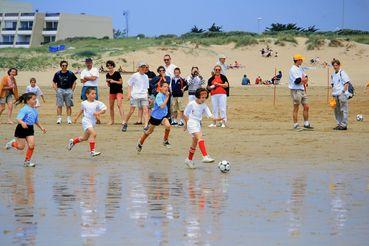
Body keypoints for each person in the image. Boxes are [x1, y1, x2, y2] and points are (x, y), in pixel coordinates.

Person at [5, 92, 47, 167]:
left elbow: (36, 121)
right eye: (33, 99)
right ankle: (12, 143)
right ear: (28, 101)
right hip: (21, 128)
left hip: (30, 129)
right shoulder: (24, 109)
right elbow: (18, 119)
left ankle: (27, 161)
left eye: (36, 99)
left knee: (32, 145)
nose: (35, 101)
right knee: (21, 147)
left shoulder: (35, 110)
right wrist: (22, 123)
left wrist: (42, 128)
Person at [183, 88, 221, 168]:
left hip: (198, 124)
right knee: (200, 137)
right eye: (202, 97)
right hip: (192, 122)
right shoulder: (191, 104)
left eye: (205, 97)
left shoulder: (204, 105)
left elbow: (210, 115)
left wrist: (217, 119)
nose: (204, 99)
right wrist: (186, 125)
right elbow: (185, 114)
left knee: (194, 143)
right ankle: (205, 156)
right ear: (198, 96)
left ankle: (189, 160)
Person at [67, 87, 106, 157]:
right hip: (86, 121)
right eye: (92, 93)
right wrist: (76, 118)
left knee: (84, 138)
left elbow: (104, 110)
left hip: (92, 122)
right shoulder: (84, 103)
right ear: (87, 95)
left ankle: (73, 141)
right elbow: (81, 110)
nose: (94, 95)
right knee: (94, 134)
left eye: (95, 94)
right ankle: (92, 151)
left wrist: (98, 113)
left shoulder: (97, 103)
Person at [136, 81, 171, 153]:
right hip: (155, 117)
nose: (166, 88)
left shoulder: (166, 94)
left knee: (168, 126)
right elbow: (162, 106)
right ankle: (140, 143)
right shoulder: (159, 96)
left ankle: (165, 140)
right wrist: (167, 97)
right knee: (149, 131)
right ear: (160, 88)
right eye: (164, 86)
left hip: (163, 116)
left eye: (167, 87)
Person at [121, 62, 150, 132]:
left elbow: (146, 88)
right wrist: (129, 94)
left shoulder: (146, 76)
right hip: (135, 95)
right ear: (139, 68)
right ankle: (125, 123)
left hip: (143, 95)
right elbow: (129, 84)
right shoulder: (135, 75)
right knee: (131, 111)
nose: (143, 68)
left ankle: (146, 126)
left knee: (146, 110)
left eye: (144, 67)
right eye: (142, 67)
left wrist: (147, 96)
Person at [289, 54, 313, 130]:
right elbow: (297, 81)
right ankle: (295, 124)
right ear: (298, 60)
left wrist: (304, 80)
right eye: (301, 60)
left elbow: (306, 77)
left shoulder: (300, 68)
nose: (302, 61)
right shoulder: (293, 69)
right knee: (296, 107)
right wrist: (304, 80)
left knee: (306, 106)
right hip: (296, 90)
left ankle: (306, 123)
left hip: (302, 89)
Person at [52, 60, 77, 124]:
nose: (64, 66)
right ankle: (59, 118)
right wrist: (57, 90)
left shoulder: (70, 73)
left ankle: (68, 118)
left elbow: (74, 82)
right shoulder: (57, 74)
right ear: (61, 66)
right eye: (63, 65)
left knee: (68, 105)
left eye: (66, 65)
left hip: (68, 90)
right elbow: (54, 82)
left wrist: (72, 90)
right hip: (60, 89)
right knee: (59, 105)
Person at [331, 59, 351, 130]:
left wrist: (343, 92)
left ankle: (344, 125)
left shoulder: (342, 72)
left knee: (343, 109)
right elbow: (333, 85)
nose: (335, 67)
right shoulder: (333, 74)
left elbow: (346, 83)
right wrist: (333, 93)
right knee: (337, 110)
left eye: (336, 65)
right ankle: (339, 124)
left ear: (339, 65)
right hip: (335, 94)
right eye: (334, 65)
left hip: (341, 94)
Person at [105, 60, 124, 125]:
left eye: (111, 66)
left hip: (119, 91)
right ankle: (112, 121)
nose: (109, 67)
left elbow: (121, 82)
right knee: (111, 106)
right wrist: (108, 82)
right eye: (108, 66)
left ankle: (123, 120)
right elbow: (109, 85)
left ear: (113, 66)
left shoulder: (117, 73)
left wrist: (114, 81)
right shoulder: (107, 74)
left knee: (119, 105)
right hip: (112, 91)